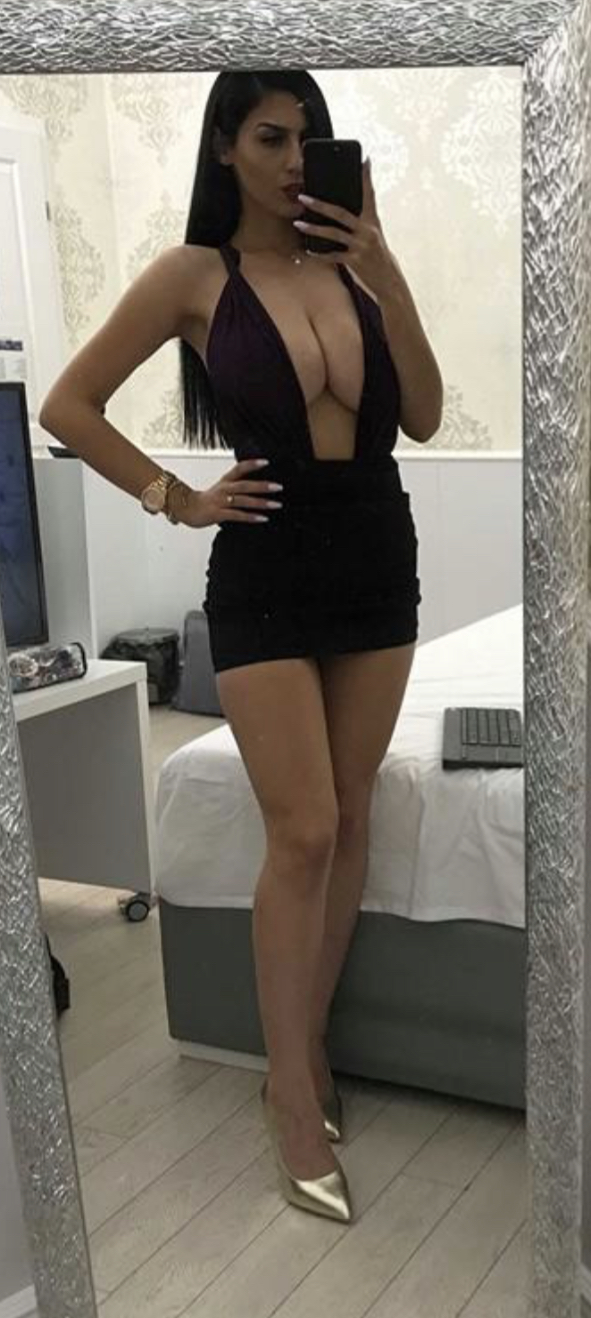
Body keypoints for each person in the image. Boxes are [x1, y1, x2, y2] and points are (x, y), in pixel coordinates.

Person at [39, 69, 443, 1226]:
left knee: (351, 815)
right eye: (270, 137)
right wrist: (175, 498)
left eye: (309, 138)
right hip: (264, 569)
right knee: (303, 826)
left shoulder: (354, 269)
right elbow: (67, 406)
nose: (294, 159)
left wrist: (385, 267)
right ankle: (289, 1093)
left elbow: (421, 415)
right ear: (224, 148)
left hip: (376, 558)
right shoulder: (192, 276)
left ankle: (302, 1054)